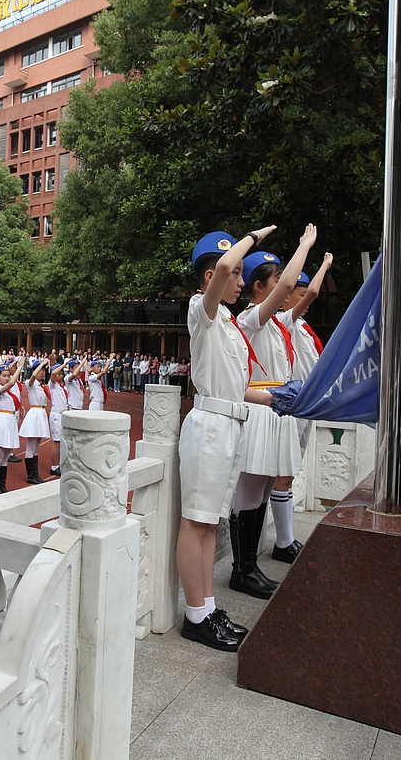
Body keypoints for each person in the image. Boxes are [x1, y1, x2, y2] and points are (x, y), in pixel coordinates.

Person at [176, 226, 279, 651]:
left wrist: (280, 398)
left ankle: (208, 606)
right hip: (209, 427)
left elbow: (240, 389)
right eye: (236, 274)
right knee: (196, 522)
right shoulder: (202, 310)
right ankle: (195, 615)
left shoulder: (231, 325)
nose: (239, 280)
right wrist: (252, 236)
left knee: (208, 524)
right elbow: (221, 265)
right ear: (210, 278)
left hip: (229, 422)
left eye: (239, 274)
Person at [229, 227, 316, 598]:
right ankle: (241, 568)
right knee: (249, 494)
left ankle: (252, 564)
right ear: (259, 288)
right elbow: (293, 288)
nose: (284, 285)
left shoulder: (279, 322)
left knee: (264, 492)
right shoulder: (251, 318)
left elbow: (302, 295)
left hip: (275, 410)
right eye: (276, 281)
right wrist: (304, 246)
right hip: (260, 410)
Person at [270, 251, 333, 562]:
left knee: (289, 474)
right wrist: (324, 265)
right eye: (297, 293)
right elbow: (314, 291)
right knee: (283, 474)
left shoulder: (303, 328)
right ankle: (284, 542)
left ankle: (286, 539)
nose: (306, 299)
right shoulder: (287, 321)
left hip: (306, 408)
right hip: (292, 409)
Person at [0, 356, 26, 496]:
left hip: (10, 421)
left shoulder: (11, 390)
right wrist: (20, 366)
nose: (7, 378)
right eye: (4, 376)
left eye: (8, 375)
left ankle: (2, 485)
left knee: (5, 456)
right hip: (1, 420)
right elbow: (12, 383)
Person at [17, 358, 50, 485]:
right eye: (40, 370)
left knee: (36, 448)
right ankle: (31, 474)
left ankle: (35, 473)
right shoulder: (30, 383)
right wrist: (41, 363)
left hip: (40, 414)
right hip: (35, 414)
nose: (42, 373)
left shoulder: (41, 386)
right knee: (31, 447)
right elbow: (33, 376)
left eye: (43, 371)